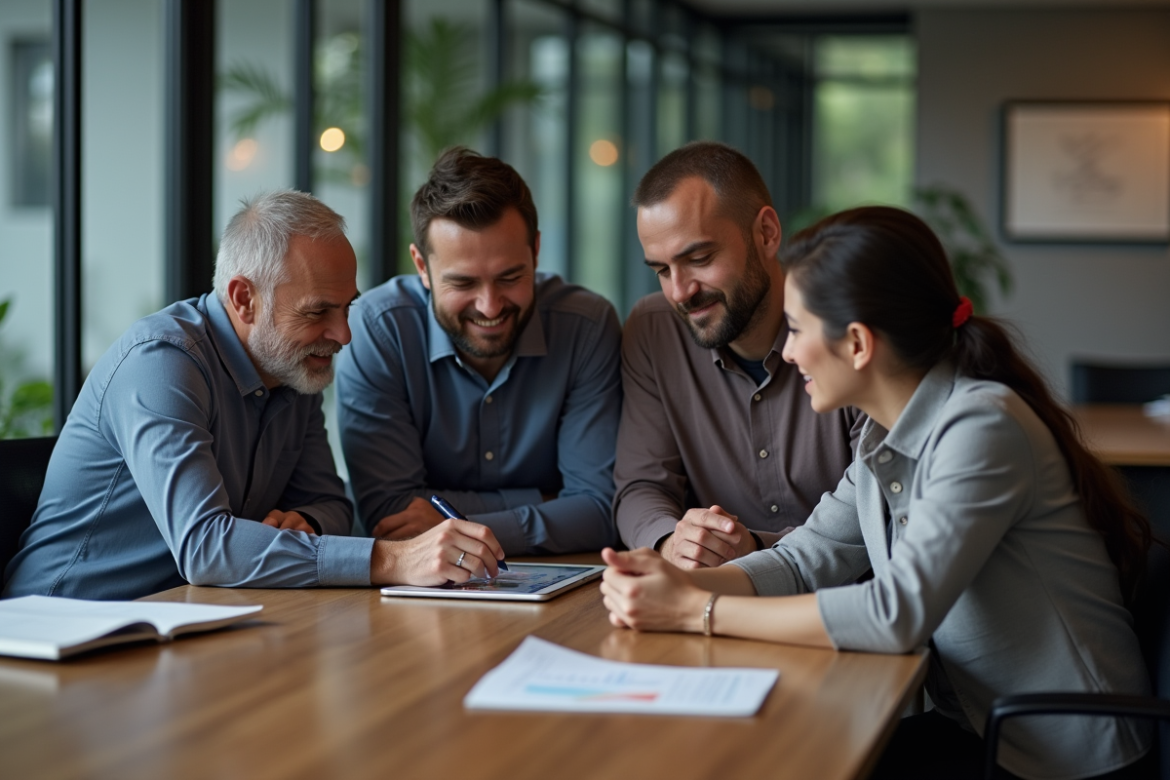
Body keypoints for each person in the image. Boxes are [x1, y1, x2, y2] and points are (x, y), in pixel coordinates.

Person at [602, 206, 1155, 780]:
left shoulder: (981, 430)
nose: (787, 353)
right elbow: (803, 560)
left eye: (796, 329)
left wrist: (701, 611)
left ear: (859, 344)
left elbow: (895, 616)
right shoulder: (885, 434)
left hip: (1064, 755)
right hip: (980, 726)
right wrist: (676, 582)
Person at [3, 191, 504, 601]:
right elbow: (206, 547)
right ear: (244, 298)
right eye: (317, 312)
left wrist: (304, 521)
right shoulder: (162, 363)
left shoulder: (294, 367)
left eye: (346, 308)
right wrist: (393, 559)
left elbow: (330, 502)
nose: (344, 334)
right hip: (63, 628)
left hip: (187, 617)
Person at [336, 148, 621, 554]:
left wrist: (458, 523)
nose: (490, 306)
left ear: (536, 251)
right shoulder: (379, 330)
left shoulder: (586, 328)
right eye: (464, 283)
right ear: (422, 266)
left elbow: (599, 508)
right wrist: (547, 501)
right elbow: (392, 516)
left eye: (510, 277)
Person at [616, 141, 862, 569]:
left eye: (699, 258)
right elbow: (640, 485)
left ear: (766, 233)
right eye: (661, 270)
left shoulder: (848, 328)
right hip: (717, 599)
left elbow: (878, 513)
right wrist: (672, 541)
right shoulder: (655, 329)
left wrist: (755, 547)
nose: (680, 291)